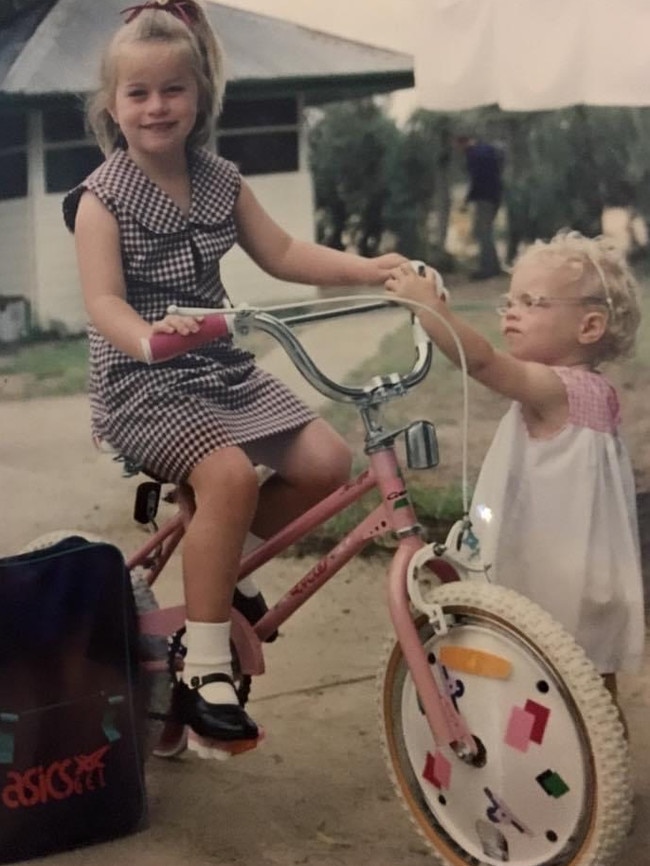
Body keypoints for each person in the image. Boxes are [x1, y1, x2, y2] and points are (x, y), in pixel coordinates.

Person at [62, 0, 405, 753]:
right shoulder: (102, 199)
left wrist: (371, 271)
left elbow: (284, 254)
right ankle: (205, 669)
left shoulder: (220, 179)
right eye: (138, 94)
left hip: (217, 366)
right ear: (112, 107)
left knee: (327, 463)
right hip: (142, 382)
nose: (157, 107)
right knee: (228, 477)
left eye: (173, 90)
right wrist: (149, 339)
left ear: (199, 96)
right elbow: (103, 302)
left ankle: (227, 570)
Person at [385, 231, 645, 711]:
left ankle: (584, 778)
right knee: (586, 691)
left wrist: (428, 308)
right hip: (581, 570)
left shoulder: (557, 388)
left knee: (559, 685)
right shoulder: (588, 389)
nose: (511, 311)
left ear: (589, 326)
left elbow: (480, 361)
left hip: (560, 575)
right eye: (511, 299)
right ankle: (597, 775)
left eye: (532, 301)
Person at [456, 135, 504, 279]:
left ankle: (487, 268)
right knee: (486, 231)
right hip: (494, 195)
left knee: (483, 232)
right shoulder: (487, 150)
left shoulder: (474, 154)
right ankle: (493, 265)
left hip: (484, 197)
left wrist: (467, 199)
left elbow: (476, 179)